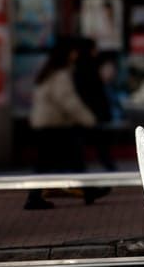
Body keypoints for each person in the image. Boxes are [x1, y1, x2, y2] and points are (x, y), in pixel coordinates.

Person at [24, 36, 103, 209]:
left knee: (62, 161)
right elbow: (68, 101)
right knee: (67, 159)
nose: (75, 54)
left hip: (48, 125)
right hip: (53, 126)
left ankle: (87, 190)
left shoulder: (50, 72)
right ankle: (35, 197)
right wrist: (88, 119)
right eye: (73, 51)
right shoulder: (60, 75)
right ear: (66, 53)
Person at [73, 36, 116, 171]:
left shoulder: (79, 67)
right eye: (94, 48)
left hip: (87, 110)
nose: (96, 51)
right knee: (97, 141)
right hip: (90, 110)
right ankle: (107, 166)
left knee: (89, 141)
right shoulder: (89, 66)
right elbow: (95, 91)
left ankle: (82, 167)